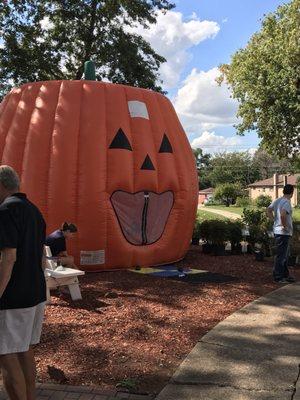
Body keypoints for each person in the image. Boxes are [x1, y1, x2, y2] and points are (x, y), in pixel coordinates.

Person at [0, 165, 46, 400]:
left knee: (6, 356)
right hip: (35, 292)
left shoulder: (6, 210)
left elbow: (9, 256)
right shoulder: (35, 211)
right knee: (24, 350)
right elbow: (41, 258)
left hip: (12, 297)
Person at [267, 184, 296, 284]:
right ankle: (278, 277)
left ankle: (285, 275)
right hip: (283, 233)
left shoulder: (277, 200)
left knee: (284, 254)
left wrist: (274, 221)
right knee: (281, 255)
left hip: (277, 231)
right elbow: (283, 214)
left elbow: (268, 210)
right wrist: (284, 226)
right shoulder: (287, 202)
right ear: (292, 192)